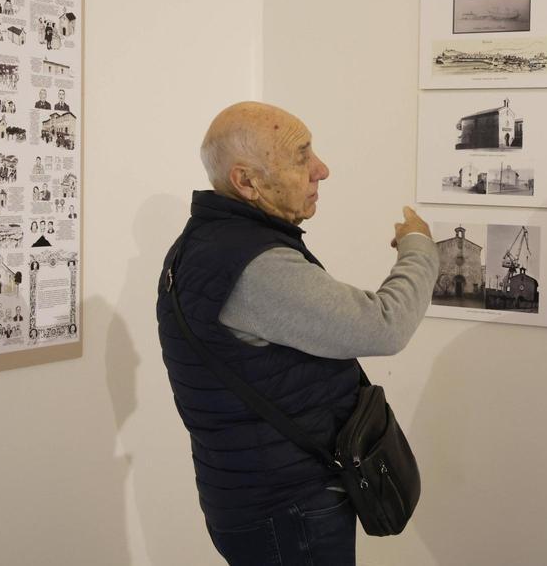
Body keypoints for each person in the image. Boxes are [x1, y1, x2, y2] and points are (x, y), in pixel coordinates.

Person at [155, 101, 439, 566]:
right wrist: (419, 247)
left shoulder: (204, 244)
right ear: (247, 182)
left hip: (255, 493)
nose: (321, 169)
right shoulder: (254, 266)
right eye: (301, 156)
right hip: (288, 505)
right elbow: (385, 325)